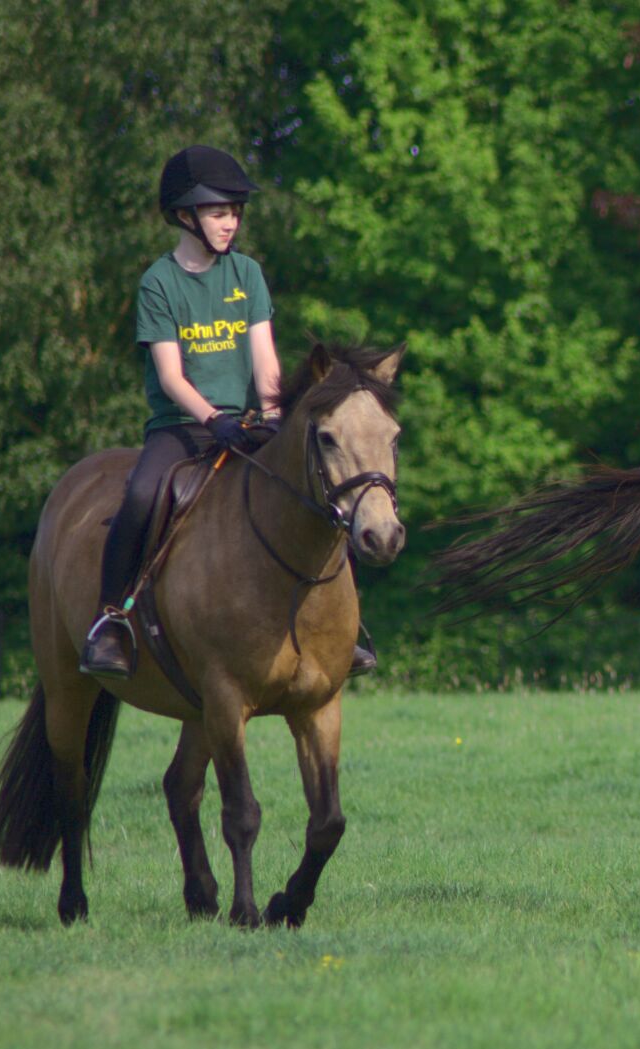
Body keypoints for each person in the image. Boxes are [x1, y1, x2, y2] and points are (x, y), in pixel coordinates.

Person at [80, 145, 377, 680]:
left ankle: (345, 628)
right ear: (185, 215)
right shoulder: (160, 283)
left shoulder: (247, 274)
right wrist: (212, 416)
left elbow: (265, 357)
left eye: (235, 212)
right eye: (220, 212)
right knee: (144, 494)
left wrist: (268, 413)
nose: (231, 222)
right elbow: (170, 376)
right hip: (183, 426)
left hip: (247, 423)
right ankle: (112, 620)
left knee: (319, 483)